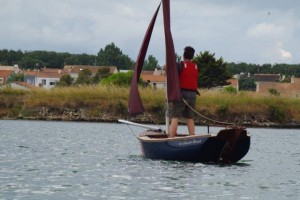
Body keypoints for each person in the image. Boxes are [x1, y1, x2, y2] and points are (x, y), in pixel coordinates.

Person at [169, 46, 199, 138]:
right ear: (192, 56)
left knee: (175, 116)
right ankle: (192, 137)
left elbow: (171, 71)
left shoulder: (180, 65)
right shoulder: (195, 67)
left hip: (181, 96)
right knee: (190, 117)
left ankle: (171, 138)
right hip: (193, 96)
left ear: (183, 55)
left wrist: (166, 67)